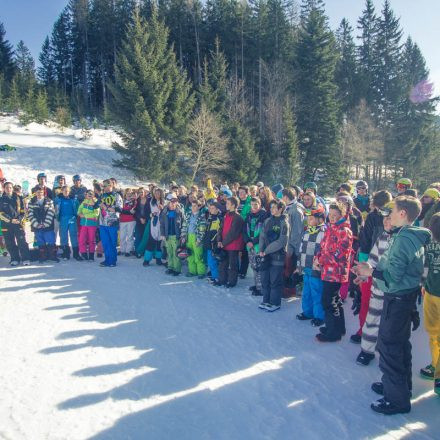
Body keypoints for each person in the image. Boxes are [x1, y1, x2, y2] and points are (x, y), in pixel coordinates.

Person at [353, 196, 430, 415]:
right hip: (400, 298)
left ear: (403, 213)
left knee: (390, 347)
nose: (390, 215)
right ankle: (399, 388)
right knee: (399, 345)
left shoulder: (404, 239)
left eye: (393, 211)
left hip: (397, 299)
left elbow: (393, 277)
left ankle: (396, 400)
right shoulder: (404, 235)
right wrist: (369, 271)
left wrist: (371, 272)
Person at [354, 208, 393, 366]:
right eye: (384, 218)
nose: (385, 221)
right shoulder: (382, 236)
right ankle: (367, 351)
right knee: (372, 319)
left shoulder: (400, 240)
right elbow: (373, 260)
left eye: (389, 218)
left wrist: (371, 271)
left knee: (389, 326)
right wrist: (363, 273)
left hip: (393, 292)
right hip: (377, 289)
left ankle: (387, 355)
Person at [314, 202, 353, 342]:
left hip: (336, 272)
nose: (332, 218)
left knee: (328, 301)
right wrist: (318, 258)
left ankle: (332, 332)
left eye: (335, 215)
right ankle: (338, 327)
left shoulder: (344, 230)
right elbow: (323, 246)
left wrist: (322, 260)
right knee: (334, 299)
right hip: (327, 270)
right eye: (330, 215)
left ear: (342, 215)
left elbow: (340, 253)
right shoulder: (331, 228)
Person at [420, 213, 440, 397]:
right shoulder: (430, 242)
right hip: (431, 292)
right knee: (433, 332)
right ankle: (435, 364)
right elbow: (425, 264)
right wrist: (423, 284)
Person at [296, 207, 326, 325]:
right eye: (308, 218)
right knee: (306, 291)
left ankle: (319, 315)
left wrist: (320, 264)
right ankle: (308, 312)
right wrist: (299, 265)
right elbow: (301, 248)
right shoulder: (307, 231)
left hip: (316, 268)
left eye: (312, 218)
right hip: (305, 265)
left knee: (317, 291)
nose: (309, 220)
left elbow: (324, 251)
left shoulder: (324, 232)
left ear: (320, 220)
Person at [258, 200, 289, 312]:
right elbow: (262, 236)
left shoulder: (283, 222)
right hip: (265, 255)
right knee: (265, 278)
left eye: (274, 207)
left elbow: (281, 241)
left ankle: (275, 302)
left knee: (274, 280)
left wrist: (266, 250)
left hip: (277, 256)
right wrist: (261, 250)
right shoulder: (268, 220)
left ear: (280, 209)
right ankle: (266, 300)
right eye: (271, 207)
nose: (271, 209)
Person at [0, 181, 30, 266]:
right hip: (6, 224)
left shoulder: (19, 198)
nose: (8, 189)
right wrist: (10, 220)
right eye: (6, 188)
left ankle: (26, 258)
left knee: (22, 241)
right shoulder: (1, 199)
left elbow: (23, 211)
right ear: (4, 189)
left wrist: (19, 219)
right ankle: (14, 258)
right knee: (10, 242)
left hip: (18, 223)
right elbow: (1, 213)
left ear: (12, 188)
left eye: (10, 187)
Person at [217, 197, 245, 288]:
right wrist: (219, 240)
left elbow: (233, 233)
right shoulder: (226, 215)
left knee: (233, 265)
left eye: (228, 203)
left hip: (233, 245)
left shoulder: (238, 218)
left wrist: (223, 243)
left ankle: (232, 282)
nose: (226, 205)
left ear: (233, 205)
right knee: (223, 263)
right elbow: (220, 228)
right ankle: (222, 280)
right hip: (224, 244)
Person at [282, 188, 304, 296]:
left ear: (286, 197)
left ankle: (290, 291)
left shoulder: (296, 209)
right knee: (287, 269)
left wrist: (291, 247)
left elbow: (297, 232)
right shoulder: (289, 208)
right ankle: (286, 289)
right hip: (288, 245)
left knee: (291, 269)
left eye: (283, 196)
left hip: (292, 246)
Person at [28, 187, 58, 263]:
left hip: (47, 225)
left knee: (50, 240)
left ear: (43, 193)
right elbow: (30, 214)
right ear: (35, 193)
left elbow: (51, 212)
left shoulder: (49, 201)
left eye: (41, 192)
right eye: (38, 192)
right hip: (37, 226)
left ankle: (52, 256)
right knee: (40, 241)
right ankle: (43, 256)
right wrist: (36, 224)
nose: (39, 194)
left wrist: (45, 224)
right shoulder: (31, 202)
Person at [244, 197, 267, 295]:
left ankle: (261, 288)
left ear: (260, 204)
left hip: (259, 244)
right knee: (253, 265)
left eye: (256, 205)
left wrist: (253, 241)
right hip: (250, 244)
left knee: (259, 266)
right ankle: (257, 284)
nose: (254, 207)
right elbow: (244, 230)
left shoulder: (264, 215)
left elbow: (263, 232)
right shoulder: (249, 215)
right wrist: (248, 241)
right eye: (252, 205)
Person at [97, 179, 123, 267]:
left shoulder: (117, 195)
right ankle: (107, 259)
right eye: (103, 186)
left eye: (105, 186)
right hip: (102, 222)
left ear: (110, 185)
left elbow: (119, 209)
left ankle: (112, 260)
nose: (104, 188)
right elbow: (95, 205)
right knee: (105, 242)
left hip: (112, 222)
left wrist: (106, 208)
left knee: (112, 242)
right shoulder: (102, 195)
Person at [181, 199, 207, 278]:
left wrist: (199, 239)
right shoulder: (188, 215)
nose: (192, 207)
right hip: (189, 237)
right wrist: (183, 236)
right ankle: (192, 271)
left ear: (199, 207)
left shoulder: (201, 216)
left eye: (195, 206)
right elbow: (184, 226)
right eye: (192, 206)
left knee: (198, 255)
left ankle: (201, 272)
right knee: (190, 255)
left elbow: (202, 229)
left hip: (196, 238)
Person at [160, 193, 184, 276]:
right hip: (167, 236)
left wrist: (182, 235)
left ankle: (177, 269)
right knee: (169, 252)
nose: (173, 203)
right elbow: (162, 224)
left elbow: (183, 223)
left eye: (175, 202)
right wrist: (162, 234)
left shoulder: (179, 211)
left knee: (175, 253)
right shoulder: (165, 211)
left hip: (176, 235)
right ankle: (170, 267)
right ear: (168, 202)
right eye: (171, 202)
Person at [55, 186, 81, 261]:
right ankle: (65, 253)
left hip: (72, 219)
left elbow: (78, 207)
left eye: (67, 191)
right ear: (62, 191)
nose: (66, 192)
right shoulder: (58, 199)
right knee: (63, 236)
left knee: (73, 235)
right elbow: (55, 208)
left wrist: (77, 215)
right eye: (65, 191)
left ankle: (76, 254)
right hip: (63, 219)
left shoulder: (73, 199)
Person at [140, 187, 164, 266]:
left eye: (158, 193)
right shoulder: (150, 201)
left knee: (159, 243)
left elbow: (166, 213)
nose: (157, 195)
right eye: (156, 193)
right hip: (153, 224)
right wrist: (151, 215)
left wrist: (162, 209)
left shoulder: (164, 202)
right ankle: (146, 260)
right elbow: (146, 212)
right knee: (151, 241)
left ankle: (158, 259)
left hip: (161, 224)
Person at [203, 201, 223, 283]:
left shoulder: (219, 218)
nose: (211, 210)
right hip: (208, 242)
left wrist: (214, 240)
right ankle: (213, 275)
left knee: (213, 261)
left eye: (213, 208)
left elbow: (219, 232)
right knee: (209, 260)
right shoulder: (210, 217)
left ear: (217, 209)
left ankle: (216, 277)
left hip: (213, 243)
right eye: (210, 208)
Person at [78, 190, 100, 261]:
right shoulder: (84, 202)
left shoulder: (95, 203)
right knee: (81, 239)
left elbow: (96, 214)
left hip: (92, 224)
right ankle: (83, 254)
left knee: (91, 240)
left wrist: (85, 215)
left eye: (91, 194)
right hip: (84, 224)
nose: (89, 196)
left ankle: (91, 255)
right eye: (88, 194)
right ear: (86, 195)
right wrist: (80, 214)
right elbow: (79, 211)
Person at [119, 188, 137, 257]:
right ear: (125, 194)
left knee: (130, 236)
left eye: (130, 193)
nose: (129, 195)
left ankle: (128, 250)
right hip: (122, 220)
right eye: (127, 193)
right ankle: (122, 250)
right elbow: (120, 210)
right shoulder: (122, 201)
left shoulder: (134, 201)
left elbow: (133, 211)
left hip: (131, 220)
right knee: (122, 236)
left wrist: (128, 211)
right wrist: (128, 211)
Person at [134, 188, 150, 254]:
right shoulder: (136, 200)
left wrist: (145, 219)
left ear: (145, 192)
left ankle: (144, 251)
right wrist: (140, 218)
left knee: (145, 236)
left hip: (147, 220)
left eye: (142, 192)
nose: (141, 193)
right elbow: (136, 211)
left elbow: (150, 211)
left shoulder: (149, 200)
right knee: (138, 235)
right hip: (139, 220)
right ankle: (137, 251)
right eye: (140, 192)